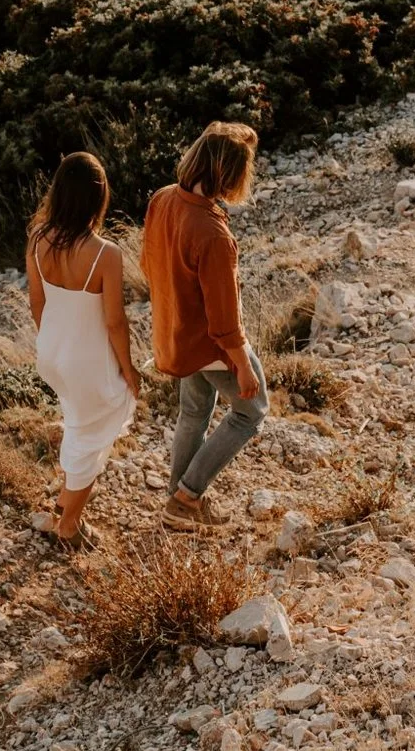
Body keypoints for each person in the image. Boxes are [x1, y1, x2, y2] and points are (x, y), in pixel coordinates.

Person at [141, 120, 265, 532]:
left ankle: (177, 503)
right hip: (210, 343)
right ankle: (188, 495)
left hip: (177, 332)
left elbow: (148, 264)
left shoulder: (162, 199)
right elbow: (225, 320)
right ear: (229, 173)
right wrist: (242, 365)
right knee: (251, 411)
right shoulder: (213, 234)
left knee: (193, 412)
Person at [26, 151, 141, 549]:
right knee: (93, 436)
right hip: (87, 362)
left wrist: (53, 342)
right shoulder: (106, 253)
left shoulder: (38, 239)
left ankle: (64, 503)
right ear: (98, 198)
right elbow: (115, 322)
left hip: (52, 354)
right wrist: (129, 369)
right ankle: (69, 526)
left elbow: (37, 302)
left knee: (79, 425)